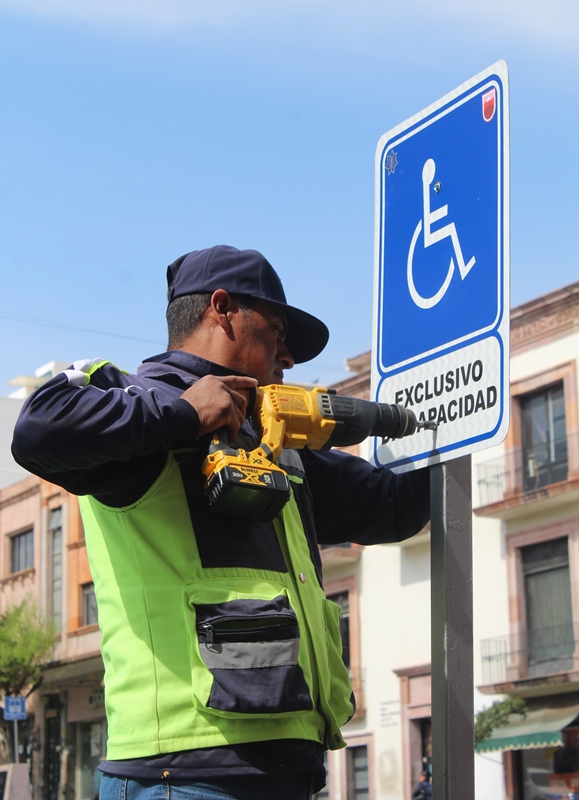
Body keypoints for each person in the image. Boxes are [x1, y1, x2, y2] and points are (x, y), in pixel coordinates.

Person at [12, 245, 430, 800]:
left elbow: (392, 506)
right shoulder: (142, 402)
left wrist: (459, 424)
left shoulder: (277, 439)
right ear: (222, 308)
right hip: (183, 769)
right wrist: (185, 413)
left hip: (285, 764)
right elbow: (38, 431)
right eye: (277, 331)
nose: (288, 357)